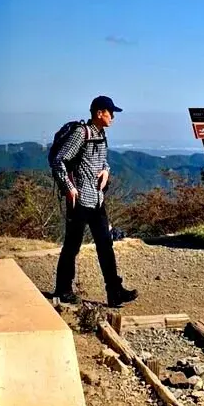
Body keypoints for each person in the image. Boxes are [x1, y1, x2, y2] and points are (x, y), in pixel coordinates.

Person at [52, 96, 138, 308]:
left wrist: (106, 172)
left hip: (97, 199)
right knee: (72, 246)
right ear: (100, 113)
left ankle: (114, 292)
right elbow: (59, 160)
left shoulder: (100, 134)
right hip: (80, 199)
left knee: (105, 244)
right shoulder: (81, 133)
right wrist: (69, 188)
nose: (113, 117)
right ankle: (63, 289)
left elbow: (103, 162)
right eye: (111, 112)